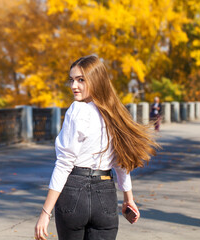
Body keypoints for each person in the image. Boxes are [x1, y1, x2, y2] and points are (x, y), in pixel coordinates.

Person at [34, 55, 158, 240]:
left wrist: (45, 212)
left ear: (96, 80)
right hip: (105, 195)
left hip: (74, 192)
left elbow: (64, 163)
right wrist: (128, 199)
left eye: (81, 80)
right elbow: (121, 162)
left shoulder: (77, 110)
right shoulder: (115, 113)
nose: (74, 86)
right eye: (72, 80)